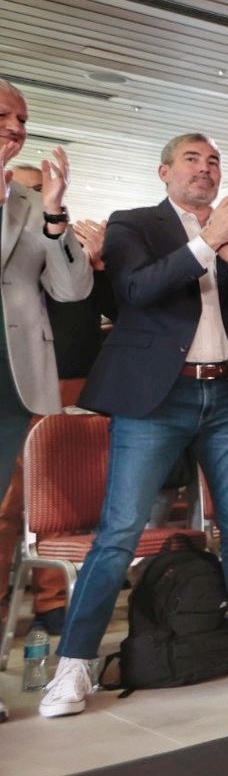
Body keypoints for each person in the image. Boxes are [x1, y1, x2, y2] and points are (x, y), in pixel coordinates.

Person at [42, 133, 228, 719]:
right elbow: (136, 290)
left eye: (214, 160)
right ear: (164, 172)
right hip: (157, 398)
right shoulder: (133, 224)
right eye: (193, 158)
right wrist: (204, 243)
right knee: (119, 531)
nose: (205, 168)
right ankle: (75, 663)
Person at [0, 82, 93, 721]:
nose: (15, 126)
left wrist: (56, 216)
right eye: (4, 115)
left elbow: (71, 287)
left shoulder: (34, 203)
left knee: (3, 528)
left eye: (22, 119)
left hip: (17, 380)